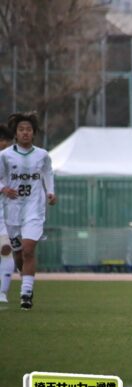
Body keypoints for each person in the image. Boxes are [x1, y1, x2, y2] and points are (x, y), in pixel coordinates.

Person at [0, 112, 56, 309]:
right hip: (12, 210)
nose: (25, 133)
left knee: (29, 249)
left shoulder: (42, 155)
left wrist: (50, 192)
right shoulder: (5, 156)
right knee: (18, 255)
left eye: (29, 130)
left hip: (34, 208)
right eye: (21, 129)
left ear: (34, 133)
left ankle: (26, 293)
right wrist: (4, 189)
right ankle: (25, 279)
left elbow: (48, 173)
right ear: (16, 133)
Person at [0, 125, 15, 304]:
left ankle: (2, 292)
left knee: (6, 250)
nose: (4, 143)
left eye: (6, 141)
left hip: (4, 216)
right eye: (2, 140)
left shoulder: (11, 160)